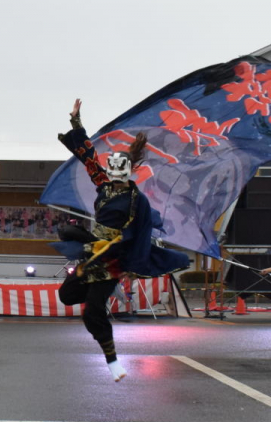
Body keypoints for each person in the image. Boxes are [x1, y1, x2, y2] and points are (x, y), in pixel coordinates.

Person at [52, 99, 189, 381]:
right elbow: (88, 156)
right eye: (111, 176)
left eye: (117, 177)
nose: (113, 181)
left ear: (128, 173)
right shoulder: (104, 186)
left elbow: (142, 235)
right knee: (66, 295)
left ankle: (113, 361)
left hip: (114, 259)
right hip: (94, 252)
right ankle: (99, 294)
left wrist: (130, 267)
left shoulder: (138, 202)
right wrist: (76, 121)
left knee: (92, 314)